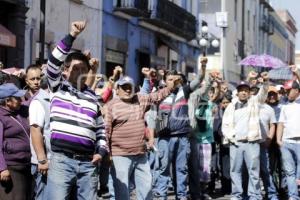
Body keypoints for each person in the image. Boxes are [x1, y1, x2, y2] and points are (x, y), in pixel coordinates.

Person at [45, 21, 108, 200]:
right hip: (61, 161)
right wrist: (72, 35)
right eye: (75, 68)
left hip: (88, 163)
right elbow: (53, 62)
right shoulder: (57, 87)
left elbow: (101, 129)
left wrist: (100, 152)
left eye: (83, 69)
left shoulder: (93, 98)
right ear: (65, 71)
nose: (79, 71)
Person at [105, 74, 179, 200]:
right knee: (122, 194)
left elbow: (155, 96)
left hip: (140, 154)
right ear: (117, 89)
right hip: (120, 155)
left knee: (146, 191)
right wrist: (107, 154)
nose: (128, 90)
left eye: (130, 87)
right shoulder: (110, 106)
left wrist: (170, 88)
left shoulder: (139, 99)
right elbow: (106, 131)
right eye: (124, 87)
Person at [153, 57, 207, 200]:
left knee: (181, 170)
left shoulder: (184, 91)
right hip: (164, 138)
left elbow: (199, 79)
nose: (173, 82)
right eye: (169, 79)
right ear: (164, 81)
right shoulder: (159, 94)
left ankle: (181, 197)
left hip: (183, 138)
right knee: (163, 170)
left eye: (174, 79)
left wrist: (202, 66)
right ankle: (161, 196)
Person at [222, 72, 269, 200]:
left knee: (253, 171)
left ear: (249, 93)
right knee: (235, 171)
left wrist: (265, 81)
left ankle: (254, 196)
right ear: (237, 93)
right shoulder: (231, 106)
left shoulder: (254, 102)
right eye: (241, 90)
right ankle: (236, 195)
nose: (243, 93)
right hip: (236, 143)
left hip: (251, 142)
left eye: (246, 90)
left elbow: (263, 93)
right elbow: (225, 124)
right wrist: (231, 138)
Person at [0, 83, 32, 200]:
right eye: (17, 98)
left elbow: (32, 100)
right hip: (11, 168)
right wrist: (2, 168)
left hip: (26, 165)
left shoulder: (20, 111)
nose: (21, 100)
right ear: (7, 101)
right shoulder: (1, 117)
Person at [277, 80, 300, 200]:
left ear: (297, 90)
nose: (286, 92)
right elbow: (281, 123)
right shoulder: (284, 104)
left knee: (298, 174)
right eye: (285, 90)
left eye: (289, 90)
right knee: (289, 172)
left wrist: (297, 72)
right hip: (286, 142)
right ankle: (293, 196)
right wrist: (279, 140)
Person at [29, 76, 51, 200]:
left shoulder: (53, 99)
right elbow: (35, 130)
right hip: (44, 163)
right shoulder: (39, 101)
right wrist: (42, 160)